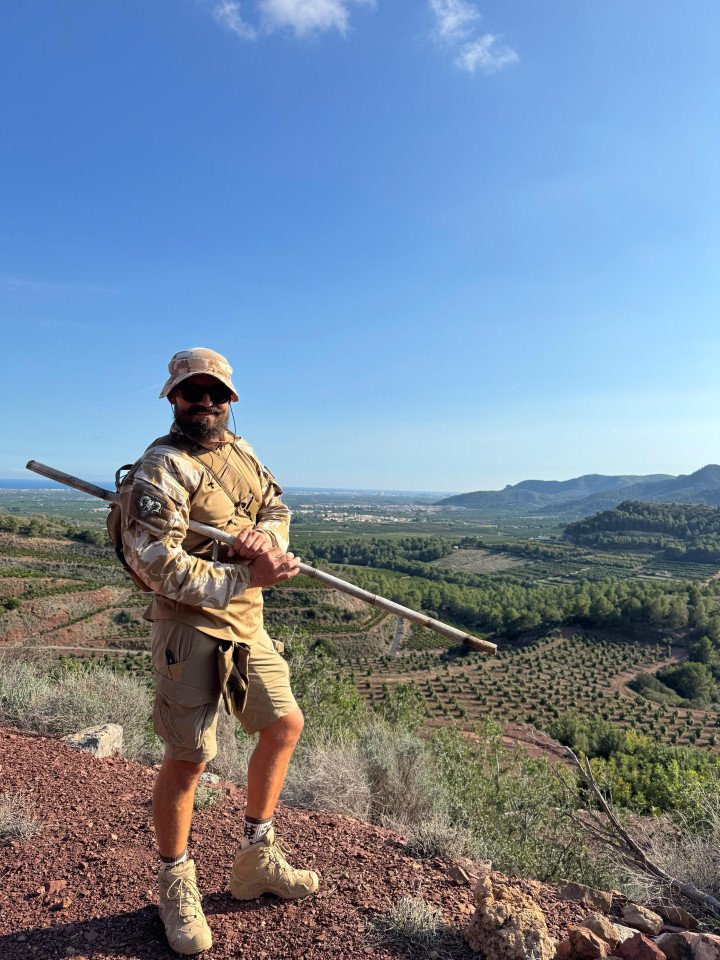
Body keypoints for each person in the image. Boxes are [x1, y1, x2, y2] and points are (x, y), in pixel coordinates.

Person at [119, 347, 318, 956]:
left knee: (284, 724)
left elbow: (275, 508)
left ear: (231, 401)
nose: (205, 403)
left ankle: (257, 858)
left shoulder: (243, 454)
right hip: (189, 626)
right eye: (191, 393)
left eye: (216, 394)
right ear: (173, 399)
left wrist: (267, 540)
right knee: (189, 757)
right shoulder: (161, 469)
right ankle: (175, 883)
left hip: (246, 622)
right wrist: (247, 577)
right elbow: (157, 566)